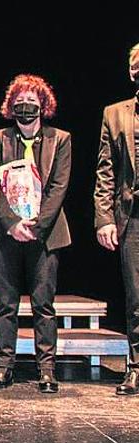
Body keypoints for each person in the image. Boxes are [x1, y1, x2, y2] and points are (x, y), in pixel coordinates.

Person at [0, 74, 70, 393]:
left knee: (43, 304)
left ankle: (47, 369)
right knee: (6, 304)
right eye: (19, 101)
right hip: (4, 234)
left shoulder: (60, 139)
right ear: (10, 106)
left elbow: (58, 187)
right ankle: (4, 367)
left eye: (32, 100)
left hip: (46, 234)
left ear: (43, 105)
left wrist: (36, 225)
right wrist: (12, 224)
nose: (25, 106)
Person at [94, 42, 139, 396]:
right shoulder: (115, 113)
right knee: (136, 295)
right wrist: (104, 218)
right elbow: (105, 171)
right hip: (131, 215)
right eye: (136, 65)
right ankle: (135, 366)